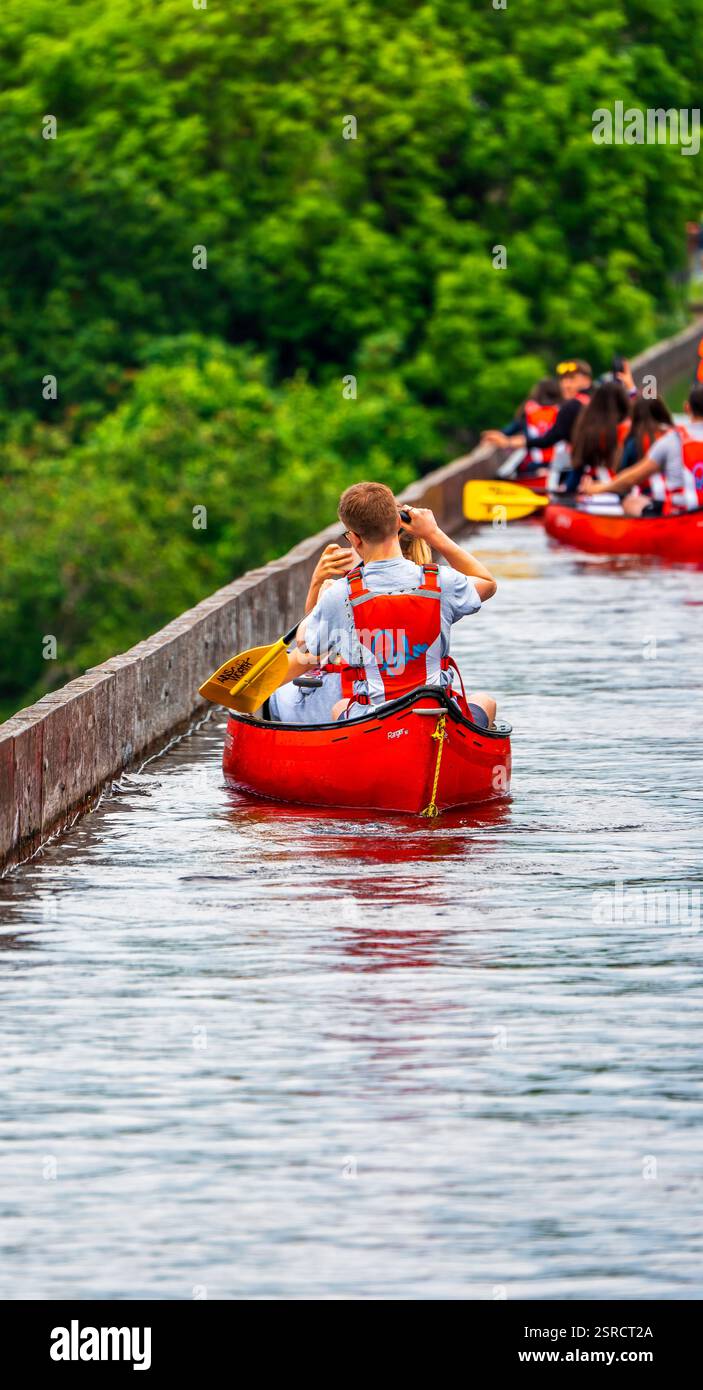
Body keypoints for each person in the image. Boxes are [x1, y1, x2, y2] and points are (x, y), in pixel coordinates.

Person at [273, 481, 498, 727]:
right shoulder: (441, 582)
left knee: (339, 708)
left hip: (373, 721)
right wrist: (433, 534)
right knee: (485, 701)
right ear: (398, 524)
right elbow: (487, 583)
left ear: (355, 539)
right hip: (435, 716)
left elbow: (307, 646)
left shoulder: (340, 594)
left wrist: (320, 588)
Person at [580, 385, 703, 516]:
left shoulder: (672, 439)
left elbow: (632, 478)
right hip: (690, 512)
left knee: (630, 502)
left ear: (687, 408)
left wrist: (599, 488)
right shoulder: (669, 433)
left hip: (681, 514)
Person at [565, 380, 632, 503]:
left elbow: (579, 465)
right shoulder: (629, 428)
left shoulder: (586, 426)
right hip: (619, 489)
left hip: (593, 487)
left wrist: (568, 491)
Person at [481, 377, 561, 478]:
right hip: (558, 466)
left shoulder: (530, 410)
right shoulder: (562, 411)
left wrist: (494, 436)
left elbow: (511, 429)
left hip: (532, 465)